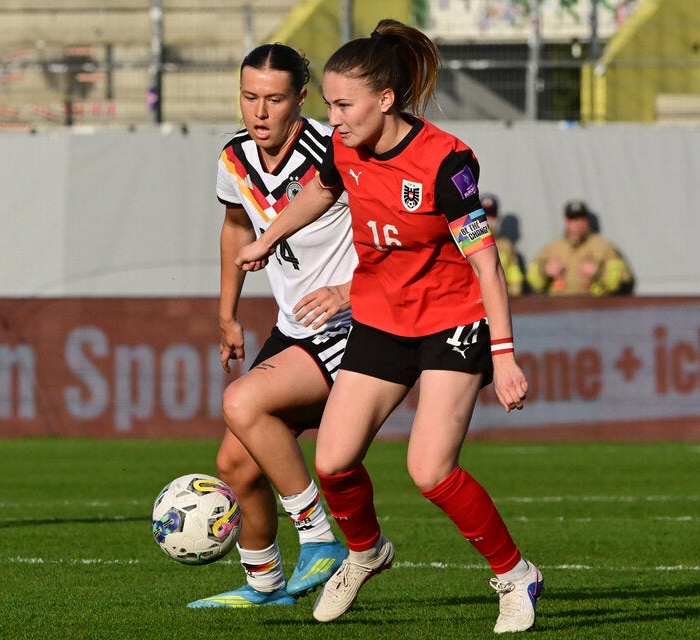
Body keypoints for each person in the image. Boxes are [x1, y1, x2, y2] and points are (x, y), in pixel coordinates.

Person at [236, 20, 542, 634]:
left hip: (452, 323)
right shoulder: (343, 147)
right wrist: (268, 237)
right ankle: (366, 551)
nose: (334, 118)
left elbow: (486, 261)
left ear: (386, 100)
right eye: (329, 104)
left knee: (429, 470)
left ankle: (514, 575)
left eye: (344, 105)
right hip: (380, 319)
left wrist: (504, 355)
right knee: (333, 460)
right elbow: (321, 192)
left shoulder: (446, 162)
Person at [187, 43, 355, 608]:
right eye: (249, 96)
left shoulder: (335, 152)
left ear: (300, 99)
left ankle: (319, 537)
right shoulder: (234, 157)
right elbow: (236, 225)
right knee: (234, 462)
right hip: (293, 326)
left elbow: (399, 237)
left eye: (274, 99)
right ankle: (265, 585)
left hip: (349, 326)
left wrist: (350, 292)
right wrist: (227, 313)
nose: (259, 111)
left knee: (241, 402)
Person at [526, 199, 633, 295]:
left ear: (587, 220)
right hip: (559, 309)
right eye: (573, 219)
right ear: (566, 221)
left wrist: (599, 272)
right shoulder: (552, 247)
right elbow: (533, 282)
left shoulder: (603, 246)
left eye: (581, 218)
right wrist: (545, 271)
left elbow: (621, 282)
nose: (578, 224)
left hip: (594, 307)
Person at [481, 194, 524, 297]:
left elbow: (515, 277)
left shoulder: (506, 246)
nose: (488, 220)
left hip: (501, 297)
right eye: (484, 215)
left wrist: (513, 294)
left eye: (492, 215)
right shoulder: (467, 243)